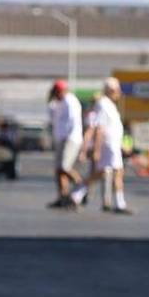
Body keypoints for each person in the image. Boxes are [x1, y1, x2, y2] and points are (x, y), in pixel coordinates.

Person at [71, 78, 131, 214]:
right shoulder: (103, 104)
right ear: (110, 90)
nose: (119, 93)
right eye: (117, 90)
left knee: (100, 173)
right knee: (117, 172)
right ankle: (120, 204)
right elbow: (99, 128)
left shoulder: (109, 104)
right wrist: (96, 149)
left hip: (113, 144)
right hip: (108, 145)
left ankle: (76, 195)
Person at [47, 80, 83, 209]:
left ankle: (81, 186)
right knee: (58, 170)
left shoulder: (70, 101)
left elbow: (73, 122)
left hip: (70, 138)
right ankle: (63, 197)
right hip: (59, 139)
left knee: (65, 166)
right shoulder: (57, 103)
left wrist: (68, 138)